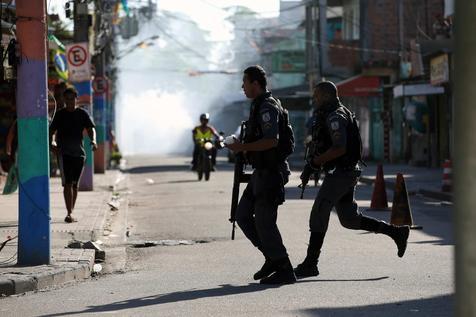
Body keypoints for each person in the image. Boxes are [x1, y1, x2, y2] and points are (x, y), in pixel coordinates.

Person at [294, 81, 410, 278]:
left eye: (317, 96)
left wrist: (317, 161)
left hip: (341, 173)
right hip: (344, 172)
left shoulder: (335, 116)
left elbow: (340, 148)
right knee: (349, 219)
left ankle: (311, 263)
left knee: (319, 211)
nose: (314, 100)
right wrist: (312, 165)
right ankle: (396, 233)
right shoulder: (334, 113)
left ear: (326, 95)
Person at [227, 65, 296, 285]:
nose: (242, 87)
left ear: (255, 84)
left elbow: (271, 141)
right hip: (260, 173)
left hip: (271, 173)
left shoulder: (267, 107)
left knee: (265, 222)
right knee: (242, 216)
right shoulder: (258, 106)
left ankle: (284, 268)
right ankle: (271, 257)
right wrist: (243, 147)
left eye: (245, 82)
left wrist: (243, 147)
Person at [49, 87, 97, 223]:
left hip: (79, 154)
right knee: (67, 184)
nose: (69, 101)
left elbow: (90, 128)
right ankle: (69, 212)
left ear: (76, 99)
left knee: (75, 185)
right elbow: (51, 131)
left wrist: (93, 140)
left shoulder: (82, 114)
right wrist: (52, 143)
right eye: (67, 99)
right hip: (64, 154)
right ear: (64, 100)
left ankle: (71, 211)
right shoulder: (59, 115)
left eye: (72, 98)